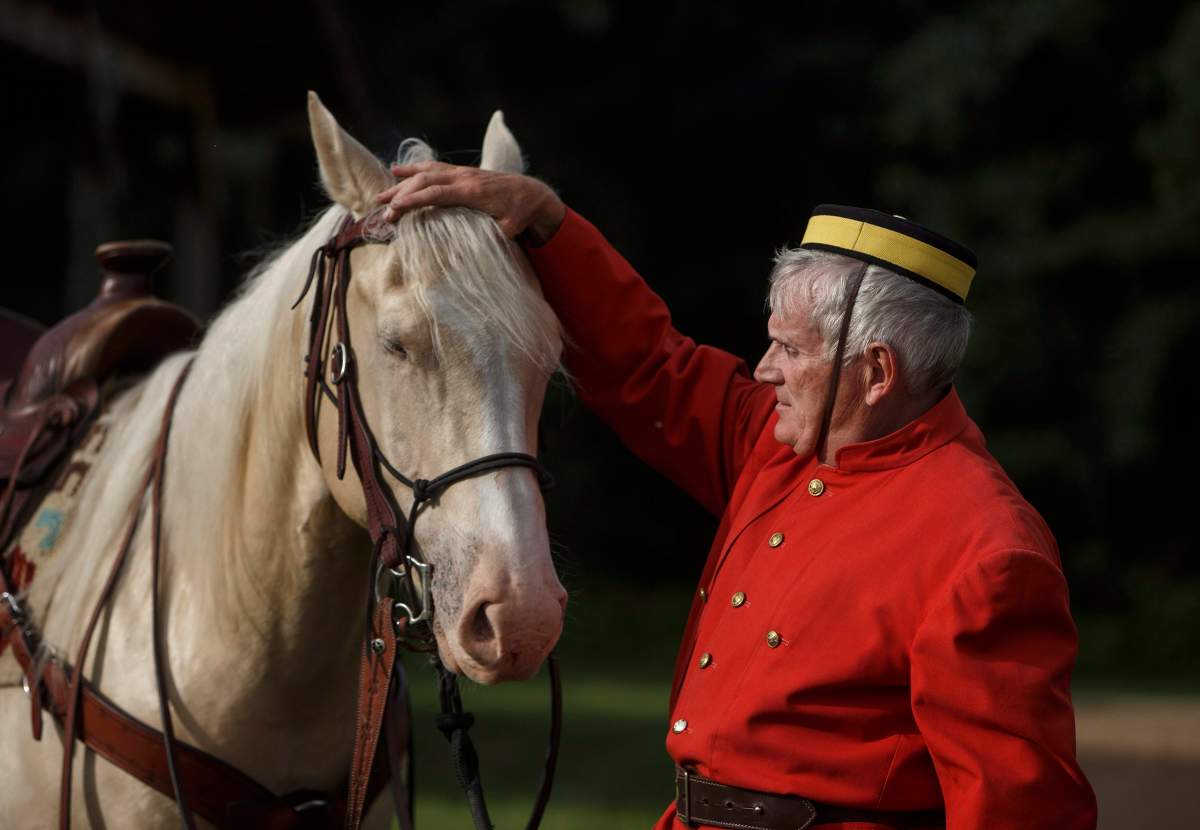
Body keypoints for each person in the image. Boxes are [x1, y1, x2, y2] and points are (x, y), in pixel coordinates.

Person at [376, 165, 1098, 830]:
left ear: (877, 372)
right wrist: (545, 221)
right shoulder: (781, 439)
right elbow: (649, 364)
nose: (765, 368)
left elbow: (1019, 810)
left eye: (790, 349)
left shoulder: (986, 548)